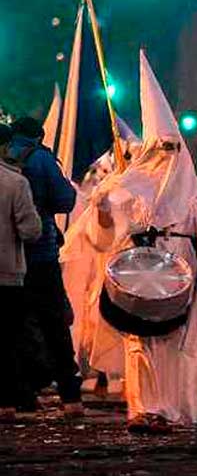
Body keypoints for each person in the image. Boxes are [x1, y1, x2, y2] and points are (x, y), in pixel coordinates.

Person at [80, 52, 197, 433]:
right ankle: (144, 409)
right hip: (138, 271)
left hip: (181, 274)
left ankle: (175, 410)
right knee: (139, 343)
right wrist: (105, 207)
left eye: (172, 149)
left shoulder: (191, 196)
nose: (166, 159)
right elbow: (103, 236)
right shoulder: (126, 186)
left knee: (177, 346)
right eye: (160, 149)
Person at [5, 116, 83, 417]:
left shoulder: (5, 162)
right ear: (38, 136)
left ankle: (17, 397)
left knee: (12, 329)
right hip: (41, 255)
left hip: (7, 260)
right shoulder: (42, 159)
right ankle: (70, 397)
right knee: (54, 325)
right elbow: (65, 201)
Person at [0, 125, 43, 421]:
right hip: (7, 275)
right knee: (8, 339)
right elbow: (31, 231)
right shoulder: (15, 183)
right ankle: (6, 403)